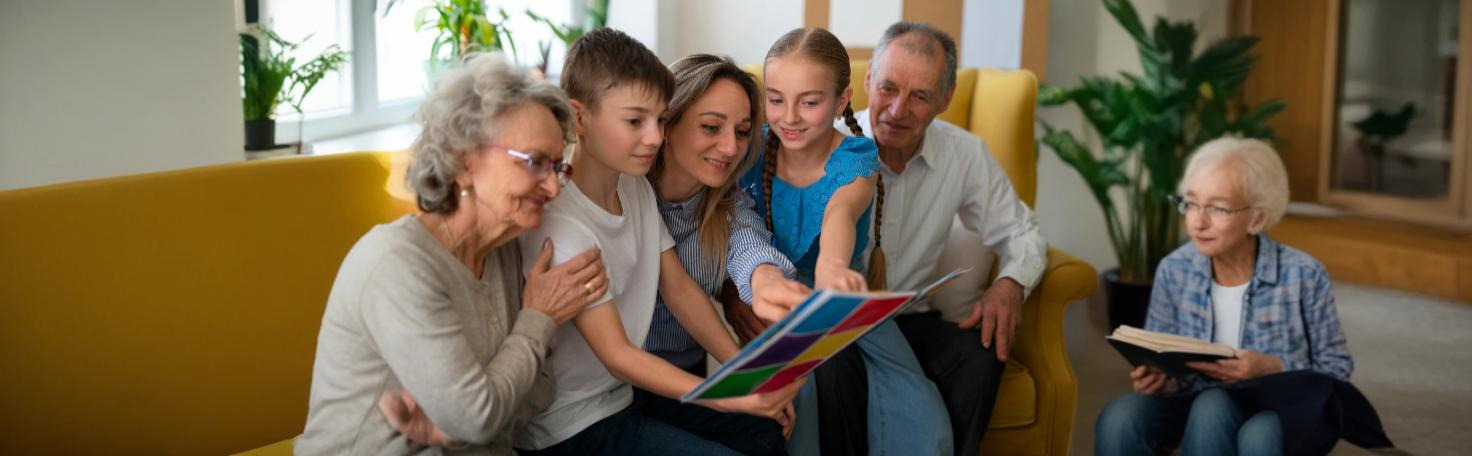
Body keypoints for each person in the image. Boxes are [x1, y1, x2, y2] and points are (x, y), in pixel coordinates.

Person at [295, 52, 607, 455]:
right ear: (463, 161)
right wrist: (539, 318)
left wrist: (460, 425)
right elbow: (478, 417)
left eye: (557, 168)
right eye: (535, 163)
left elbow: (537, 393)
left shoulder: (504, 251)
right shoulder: (397, 264)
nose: (551, 187)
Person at [514, 28, 799, 456]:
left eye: (659, 120)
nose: (654, 136)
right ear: (579, 118)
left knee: (763, 433)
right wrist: (726, 394)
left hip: (624, 396)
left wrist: (745, 373)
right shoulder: (561, 222)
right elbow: (618, 355)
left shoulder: (633, 186)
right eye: (635, 121)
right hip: (573, 424)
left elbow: (679, 288)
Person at [740, 26, 952, 455]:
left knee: (915, 398)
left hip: (841, 289)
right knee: (799, 392)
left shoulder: (856, 154)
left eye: (810, 102)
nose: (790, 117)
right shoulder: (751, 149)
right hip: (774, 294)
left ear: (841, 100)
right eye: (776, 99)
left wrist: (833, 269)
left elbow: (840, 212)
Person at [1094, 137, 1354, 456]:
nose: (1198, 222)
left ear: (1257, 219)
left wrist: (1273, 366)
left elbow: (1337, 369)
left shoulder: (1304, 275)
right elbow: (1165, 357)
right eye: (1190, 203)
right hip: (1192, 400)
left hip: (1278, 405)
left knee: (1228, 416)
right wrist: (1160, 378)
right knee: (1119, 418)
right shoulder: (1174, 269)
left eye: (1217, 208)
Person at [644, 53, 810, 376]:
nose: (731, 148)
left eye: (743, 131)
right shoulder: (627, 193)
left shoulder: (726, 205)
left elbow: (750, 246)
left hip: (688, 371)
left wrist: (767, 281)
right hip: (616, 383)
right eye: (711, 127)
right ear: (666, 123)